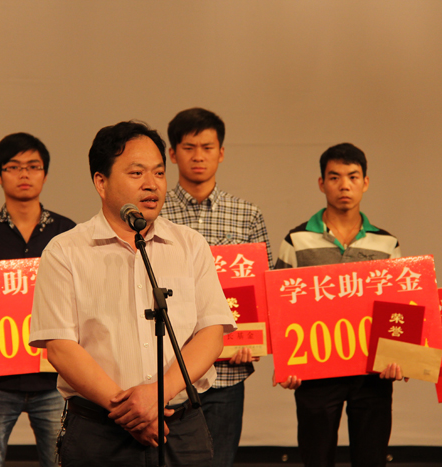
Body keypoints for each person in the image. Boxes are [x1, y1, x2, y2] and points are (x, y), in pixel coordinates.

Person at [28, 120, 236, 467]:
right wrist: (132, 411)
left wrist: (157, 396)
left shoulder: (190, 245)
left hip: (181, 427)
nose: (152, 184)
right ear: (101, 182)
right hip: (100, 431)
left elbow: (211, 333)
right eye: (137, 173)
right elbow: (60, 347)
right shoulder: (65, 251)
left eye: (159, 173)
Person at [274, 143, 405, 467]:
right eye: (334, 177)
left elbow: (400, 307)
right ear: (322, 183)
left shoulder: (387, 244)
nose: (344, 185)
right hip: (315, 369)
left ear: (365, 182)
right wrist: (286, 362)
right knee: (316, 459)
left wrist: (400, 357)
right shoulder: (296, 240)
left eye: (352, 177)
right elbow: (279, 307)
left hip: (373, 371)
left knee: (371, 459)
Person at [160, 107, 272, 467]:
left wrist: (253, 339)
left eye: (207, 147)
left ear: (221, 152)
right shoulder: (154, 214)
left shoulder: (247, 215)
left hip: (227, 372)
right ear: (172, 153)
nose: (198, 156)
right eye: (189, 147)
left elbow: (263, 288)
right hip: (168, 370)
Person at [0, 132, 76, 467]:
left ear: (45, 174)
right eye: (13, 167)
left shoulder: (67, 232)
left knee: (61, 461)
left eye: (33, 166)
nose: (24, 174)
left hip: (54, 376)